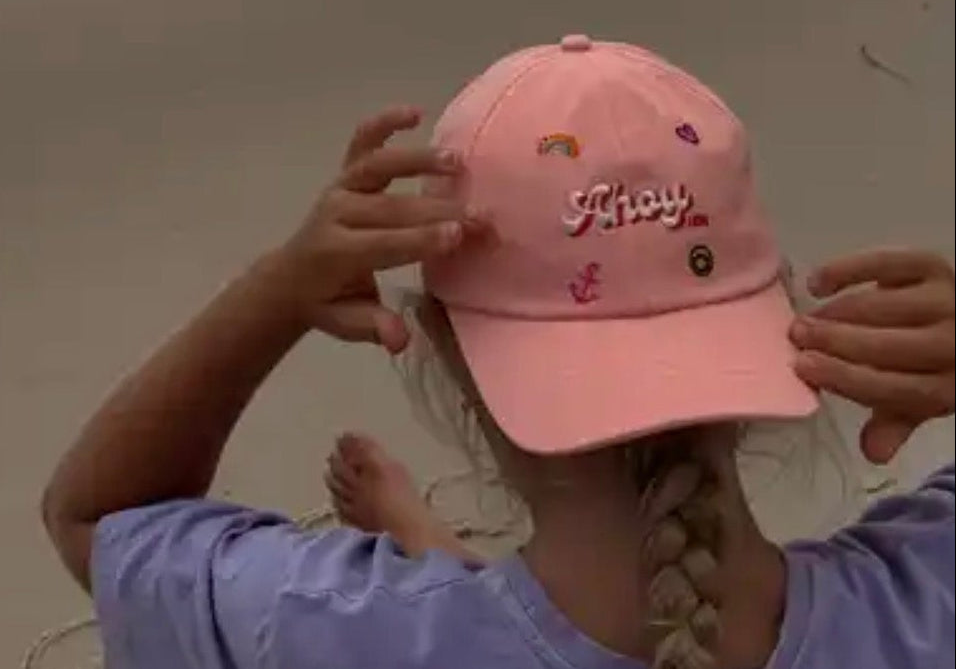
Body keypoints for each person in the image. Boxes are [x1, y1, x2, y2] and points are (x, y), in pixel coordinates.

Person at [42, 37, 954, 669]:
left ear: (443, 349)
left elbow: (97, 516)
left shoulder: (332, 633)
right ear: (780, 321)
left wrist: (274, 290)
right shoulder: (924, 605)